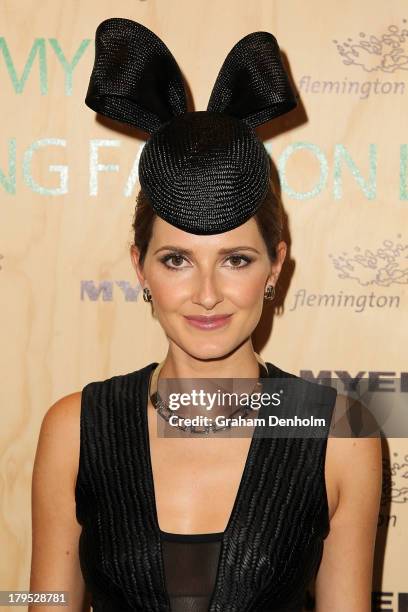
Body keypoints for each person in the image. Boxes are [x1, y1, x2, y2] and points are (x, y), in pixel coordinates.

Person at [29, 18, 382, 612]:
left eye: (236, 259)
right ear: (140, 268)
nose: (208, 293)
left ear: (274, 268)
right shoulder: (74, 428)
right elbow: (37, 600)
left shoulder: (342, 436)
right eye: (177, 260)